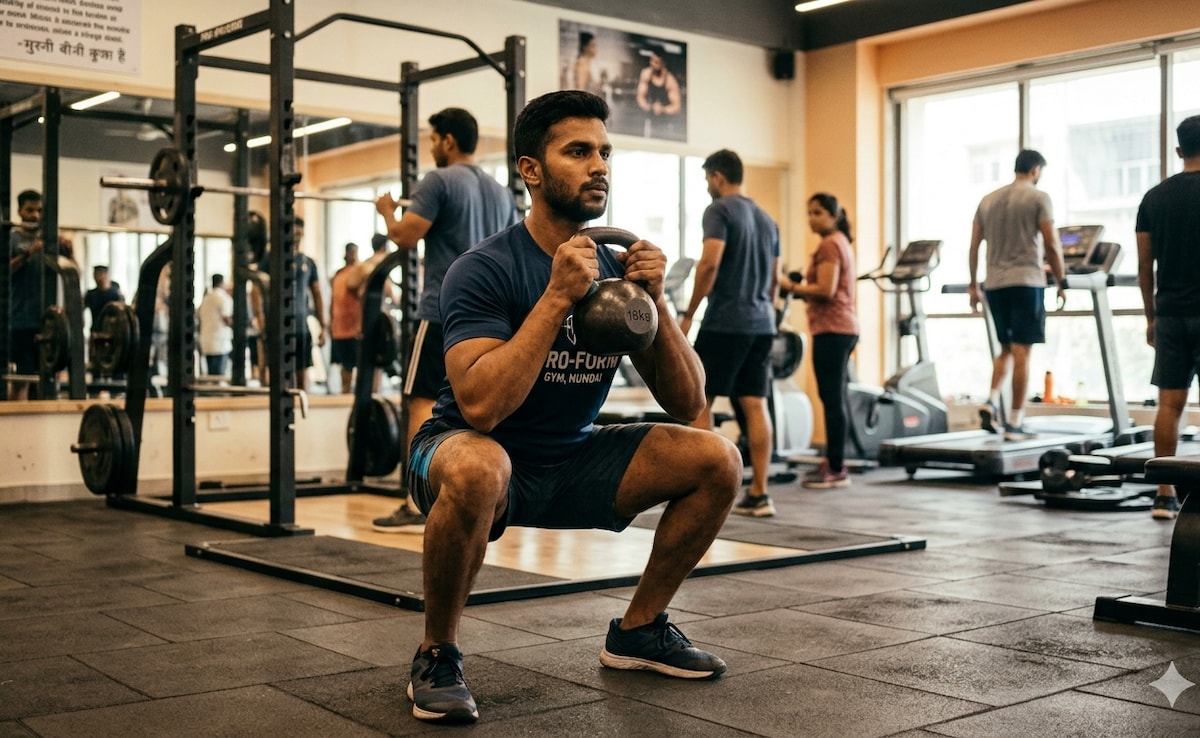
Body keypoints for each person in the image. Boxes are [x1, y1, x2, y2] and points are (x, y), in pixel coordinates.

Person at [401, 90, 740, 725]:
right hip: (464, 450)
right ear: (531, 169)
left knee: (717, 457)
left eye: (605, 152)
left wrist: (655, 301)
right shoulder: (483, 269)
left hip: (570, 458)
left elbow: (689, 400)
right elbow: (478, 407)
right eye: (578, 152)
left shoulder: (616, 271)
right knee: (480, 466)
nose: (599, 166)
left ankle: (639, 631)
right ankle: (437, 652)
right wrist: (557, 297)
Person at [370, 107, 519, 534]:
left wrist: (385, 211)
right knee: (480, 407)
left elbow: (404, 237)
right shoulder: (500, 191)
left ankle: (416, 502)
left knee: (419, 400)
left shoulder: (437, 181)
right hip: (493, 316)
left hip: (442, 311)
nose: (432, 146)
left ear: (449, 141)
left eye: (433, 139)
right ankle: (488, 493)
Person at [679, 149, 779, 516]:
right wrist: (767, 313)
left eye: (708, 179)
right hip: (761, 323)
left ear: (718, 176)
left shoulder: (719, 210)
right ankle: (760, 492)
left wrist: (689, 314)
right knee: (755, 403)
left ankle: (706, 491)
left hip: (726, 321)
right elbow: (774, 281)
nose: (707, 186)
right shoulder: (767, 219)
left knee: (699, 398)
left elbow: (709, 264)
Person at [968, 149, 1066, 442]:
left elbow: (974, 246)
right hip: (1026, 282)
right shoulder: (1038, 197)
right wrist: (1062, 281)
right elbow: (1051, 243)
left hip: (995, 284)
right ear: (1036, 170)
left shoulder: (988, 199)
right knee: (1023, 352)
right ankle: (1014, 423)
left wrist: (974, 285)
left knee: (1007, 348)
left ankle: (991, 399)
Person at [1136, 115, 1200, 521]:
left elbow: (1146, 266)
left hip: (1171, 312)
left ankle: (1164, 494)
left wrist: (1151, 317)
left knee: (1170, 403)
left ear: (1179, 151)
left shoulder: (1153, 197)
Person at [779, 193, 859, 489]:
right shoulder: (840, 242)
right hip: (839, 327)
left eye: (817, 213)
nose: (812, 218)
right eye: (809, 213)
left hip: (833, 329)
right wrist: (799, 288)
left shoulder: (830, 244)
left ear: (833, 215)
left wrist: (788, 285)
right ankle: (836, 463)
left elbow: (825, 289)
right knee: (833, 397)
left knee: (831, 399)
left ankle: (837, 467)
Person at [256, 216, 326, 391]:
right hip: (276, 326)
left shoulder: (308, 262)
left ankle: (301, 412)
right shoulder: (269, 259)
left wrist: (324, 325)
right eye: (294, 233)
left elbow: (317, 293)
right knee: (275, 376)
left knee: (302, 376)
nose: (297, 237)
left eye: (300, 233)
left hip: (301, 327)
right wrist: (261, 319)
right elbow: (255, 290)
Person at [7, 190, 44, 401]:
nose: (35, 215)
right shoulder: (11, 240)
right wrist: (29, 253)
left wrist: (71, 252)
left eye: (39, 211)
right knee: (22, 377)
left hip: (46, 321)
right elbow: (5, 271)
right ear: (20, 211)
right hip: (20, 321)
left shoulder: (49, 240)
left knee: (46, 379)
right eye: (30, 210)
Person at [329, 241, 361, 394]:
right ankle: (345, 393)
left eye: (355, 252)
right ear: (347, 254)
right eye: (351, 252)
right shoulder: (338, 274)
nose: (353, 256)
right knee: (344, 365)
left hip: (355, 328)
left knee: (357, 364)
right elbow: (333, 300)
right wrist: (330, 322)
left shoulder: (359, 273)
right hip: (339, 328)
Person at [635, 49, 682, 139]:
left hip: (665, 121)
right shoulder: (646, 74)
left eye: (656, 62)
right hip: (650, 117)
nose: (653, 64)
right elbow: (640, 97)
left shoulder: (670, 80)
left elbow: (676, 107)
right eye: (651, 61)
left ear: (663, 64)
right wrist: (648, 106)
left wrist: (662, 109)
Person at [197, 274, 234, 376]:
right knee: (219, 375)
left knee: (211, 374)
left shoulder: (206, 299)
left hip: (207, 341)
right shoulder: (223, 298)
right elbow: (227, 318)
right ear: (222, 283)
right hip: (220, 342)